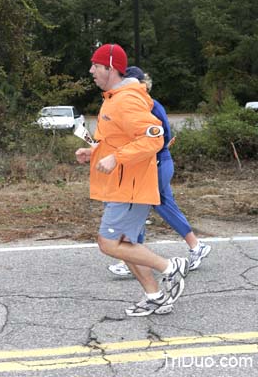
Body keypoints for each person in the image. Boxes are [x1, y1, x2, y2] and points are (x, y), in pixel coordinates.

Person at [75, 43, 189, 317]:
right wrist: (94, 152)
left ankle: (171, 267)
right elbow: (119, 140)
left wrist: (116, 159)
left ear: (111, 68)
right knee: (126, 244)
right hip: (122, 183)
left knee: (108, 243)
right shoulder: (113, 97)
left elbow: (154, 136)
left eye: (96, 65)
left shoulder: (127, 98)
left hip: (130, 185)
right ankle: (155, 296)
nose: (91, 70)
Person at [108, 66, 211, 277]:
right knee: (160, 205)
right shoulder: (138, 105)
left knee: (138, 206)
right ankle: (196, 246)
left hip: (156, 164)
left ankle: (132, 259)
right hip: (153, 164)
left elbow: (159, 138)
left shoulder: (149, 105)